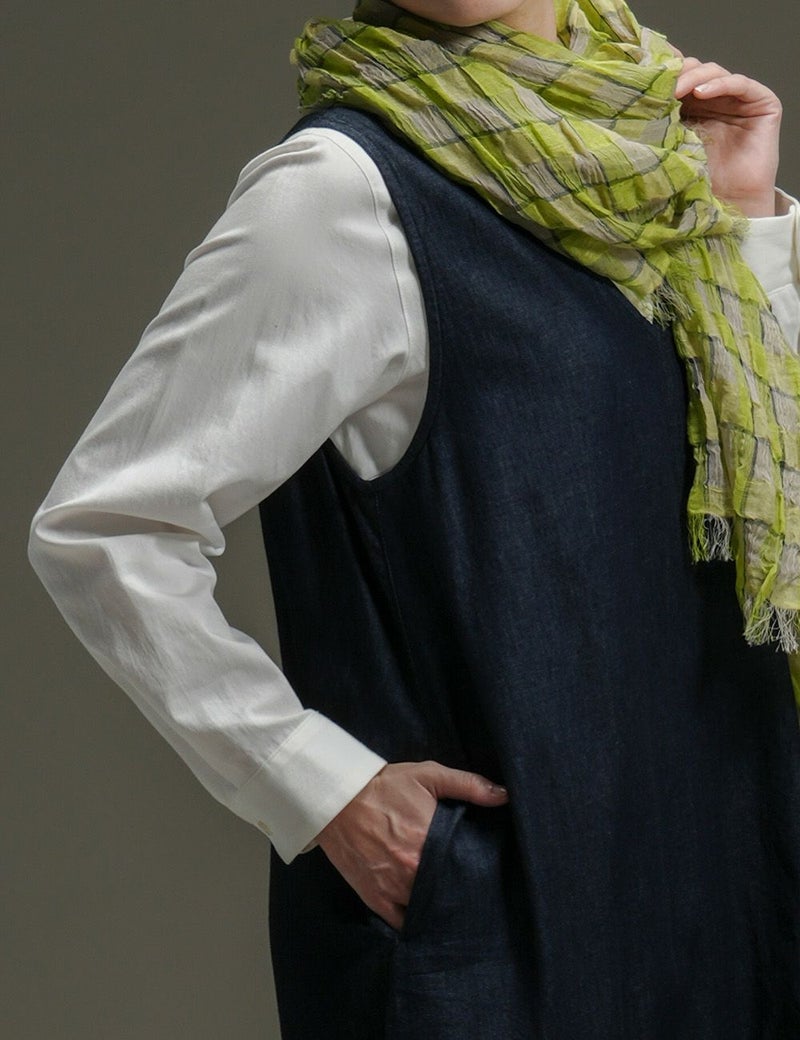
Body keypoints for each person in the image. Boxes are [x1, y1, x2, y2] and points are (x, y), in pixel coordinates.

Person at [28, 0, 800, 1036]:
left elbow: (748, 490)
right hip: (511, 931)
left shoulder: (655, 156)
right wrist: (319, 788)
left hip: (726, 890)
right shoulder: (339, 192)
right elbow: (106, 523)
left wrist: (739, 227)